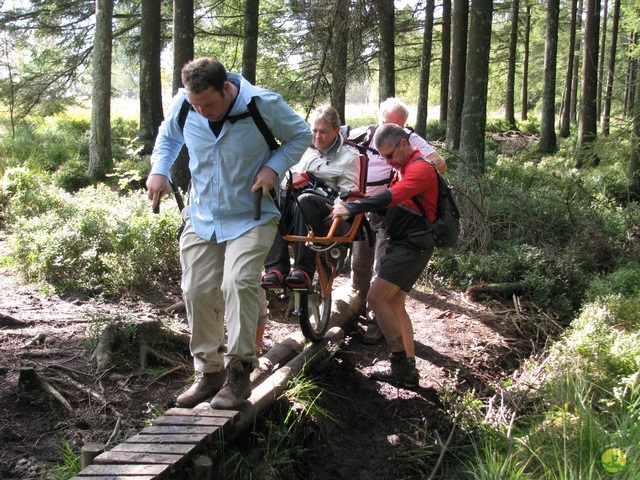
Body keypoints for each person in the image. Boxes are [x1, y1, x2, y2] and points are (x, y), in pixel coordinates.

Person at [147, 57, 311, 409]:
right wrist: (159, 170)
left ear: (226, 88)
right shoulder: (184, 105)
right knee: (196, 288)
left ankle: (239, 372)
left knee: (237, 282)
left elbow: (300, 135)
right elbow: (167, 141)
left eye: (208, 104)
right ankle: (210, 372)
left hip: (252, 213)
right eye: (195, 105)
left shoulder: (262, 105)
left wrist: (273, 166)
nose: (202, 111)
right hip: (203, 214)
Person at [332, 123, 439, 387]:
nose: (388, 161)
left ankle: (400, 365)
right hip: (404, 243)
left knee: (376, 298)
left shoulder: (421, 169)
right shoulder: (402, 167)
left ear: (404, 144)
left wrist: (355, 207)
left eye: (390, 155)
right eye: (383, 157)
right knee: (394, 304)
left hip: (412, 247)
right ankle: (409, 370)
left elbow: (393, 196)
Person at [349, 97, 447, 344]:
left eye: (396, 126)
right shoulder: (365, 134)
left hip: (391, 211)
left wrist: (405, 180)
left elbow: (439, 163)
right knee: (359, 261)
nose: (388, 130)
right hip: (365, 205)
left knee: (382, 265)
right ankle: (354, 308)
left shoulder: (410, 142)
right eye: (385, 123)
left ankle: (376, 320)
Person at [261, 105, 360, 290]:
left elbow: (349, 192)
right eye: (314, 130)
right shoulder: (303, 150)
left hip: (327, 202)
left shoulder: (348, 156)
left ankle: (303, 270)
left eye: (323, 132)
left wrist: (342, 211)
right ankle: (275, 269)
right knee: (272, 201)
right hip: (297, 199)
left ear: (336, 130)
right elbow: (285, 180)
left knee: (306, 200)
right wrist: (290, 181)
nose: (317, 137)